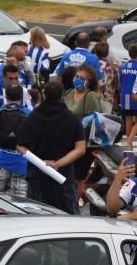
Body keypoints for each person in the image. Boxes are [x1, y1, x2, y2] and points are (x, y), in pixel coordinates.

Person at [17, 81, 86, 214]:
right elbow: (80, 149)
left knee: (36, 220)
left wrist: (41, 163)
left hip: (37, 176)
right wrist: (57, 164)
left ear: (44, 95)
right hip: (63, 176)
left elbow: (20, 146)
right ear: (62, 96)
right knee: (71, 221)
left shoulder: (33, 117)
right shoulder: (71, 119)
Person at [0, 83, 30, 196]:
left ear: (6, 96)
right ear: (21, 97)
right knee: (19, 205)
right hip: (22, 165)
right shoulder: (28, 114)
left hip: (0, 162)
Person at [119, 43, 137, 145]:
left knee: (128, 118)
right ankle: (132, 138)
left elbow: (120, 80)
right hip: (136, 96)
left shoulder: (122, 67)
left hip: (124, 95)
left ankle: (128, 142)